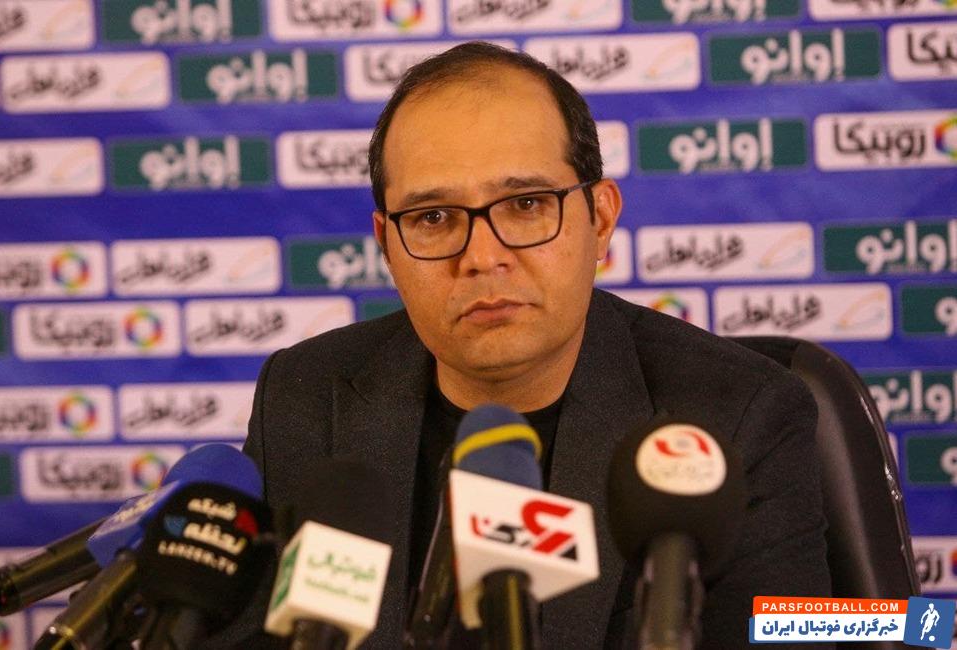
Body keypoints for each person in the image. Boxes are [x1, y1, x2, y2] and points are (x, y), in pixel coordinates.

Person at [229, 42, 832, 648]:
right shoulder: (306, 399)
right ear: (387, 244)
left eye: (525, 205)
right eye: (433, 217)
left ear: (600, 220)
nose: (482, 257)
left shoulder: (738, 415)